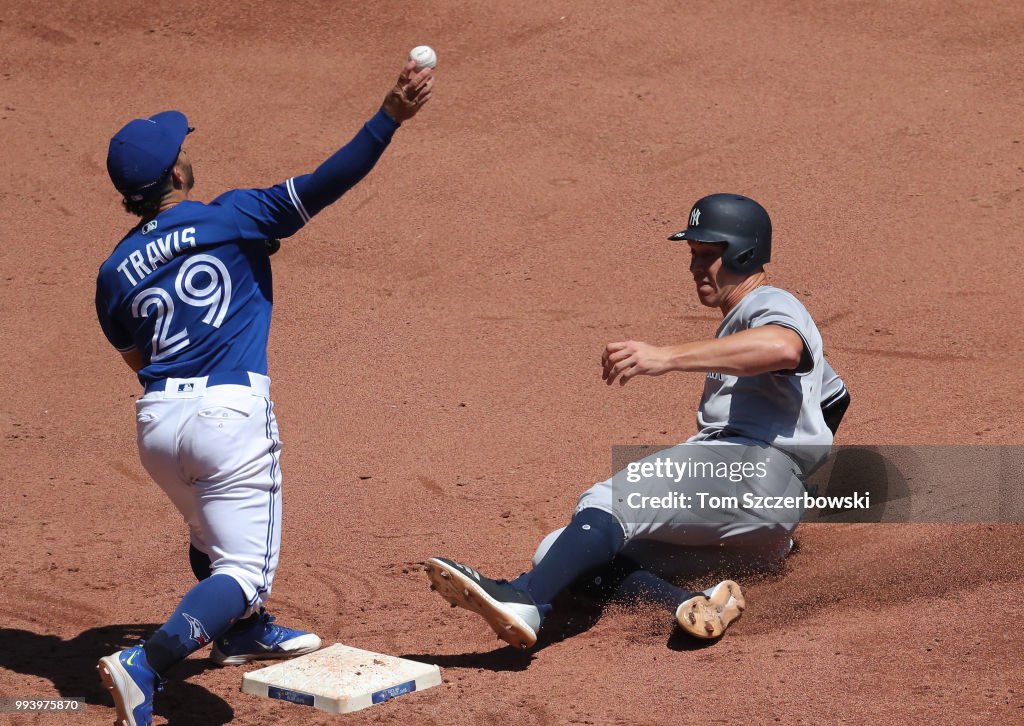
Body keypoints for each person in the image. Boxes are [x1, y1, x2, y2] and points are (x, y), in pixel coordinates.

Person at [94, 60, 435, 726]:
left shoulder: (111, 275)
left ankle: (240, 631)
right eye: (182, 154)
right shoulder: (232, 217)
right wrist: (389, 116)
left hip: (158, 425)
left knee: (206, 532)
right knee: (243, 570)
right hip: (228, 415)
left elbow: (138, 359)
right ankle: (147, 665)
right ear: (175, 177)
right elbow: (325, 182)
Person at [425, 193, 850, 648]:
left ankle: (525, 599)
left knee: (608, 500)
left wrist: (666, 356)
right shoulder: (741, 326)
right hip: (761, 522)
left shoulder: (767, 303)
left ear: (744, 251)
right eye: (692, 255)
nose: (694, 267)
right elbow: (834, 398)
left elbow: (782, 348)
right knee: (559, 550)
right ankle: (691, 602)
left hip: (746, 470)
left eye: (707, 254)